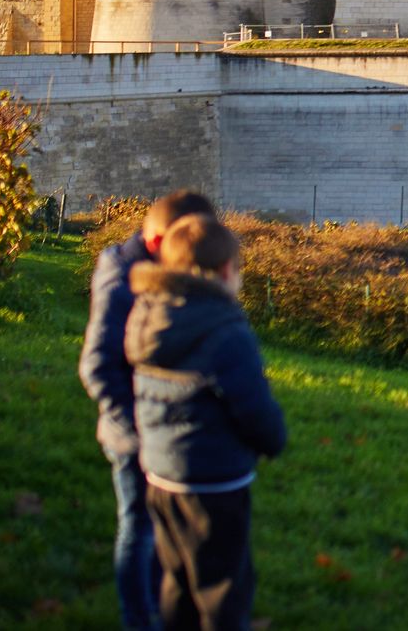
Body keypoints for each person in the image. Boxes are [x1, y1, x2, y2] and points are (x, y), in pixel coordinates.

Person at [127, 214, 287, 630]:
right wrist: (274, 440)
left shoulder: (148, 315)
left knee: (177, 577)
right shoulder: (227, 331)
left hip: (161, 475)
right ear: (227, 272)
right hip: (215, 483)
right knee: (222, 587)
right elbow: (253, 405)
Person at [80, 190, 217, 630]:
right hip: (134, 437)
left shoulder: (149, 270)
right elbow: (98, 367)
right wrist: (142, 430)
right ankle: (139, 619)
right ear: (160, 242)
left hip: (161, 437)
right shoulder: (122, 281)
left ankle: (161, 611)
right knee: (139, 531)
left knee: (161, 535)